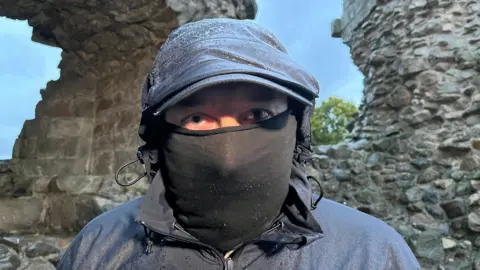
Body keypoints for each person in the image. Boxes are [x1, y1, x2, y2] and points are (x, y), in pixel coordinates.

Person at [57, 18, 420, 270]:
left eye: (258, 116)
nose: (228, 154)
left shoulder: (371, 252)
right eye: (197, 118)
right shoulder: (98, 249)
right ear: (158, 138)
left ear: (296, 128)